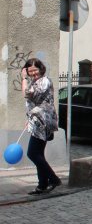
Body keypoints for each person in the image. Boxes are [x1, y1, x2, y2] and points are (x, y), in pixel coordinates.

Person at [22, 58, 61, 195]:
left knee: (32, 153)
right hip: (37, 120)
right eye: (30, 70)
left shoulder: (44, 81)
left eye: (35, 70)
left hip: (43, 121)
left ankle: (54, 178)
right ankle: (42, 185)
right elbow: (33, 103)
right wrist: (29, 118)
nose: (33, 73)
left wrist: (23, 79)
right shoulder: (36, 82)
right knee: (38, 154)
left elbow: (27, 94)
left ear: (41, 69)